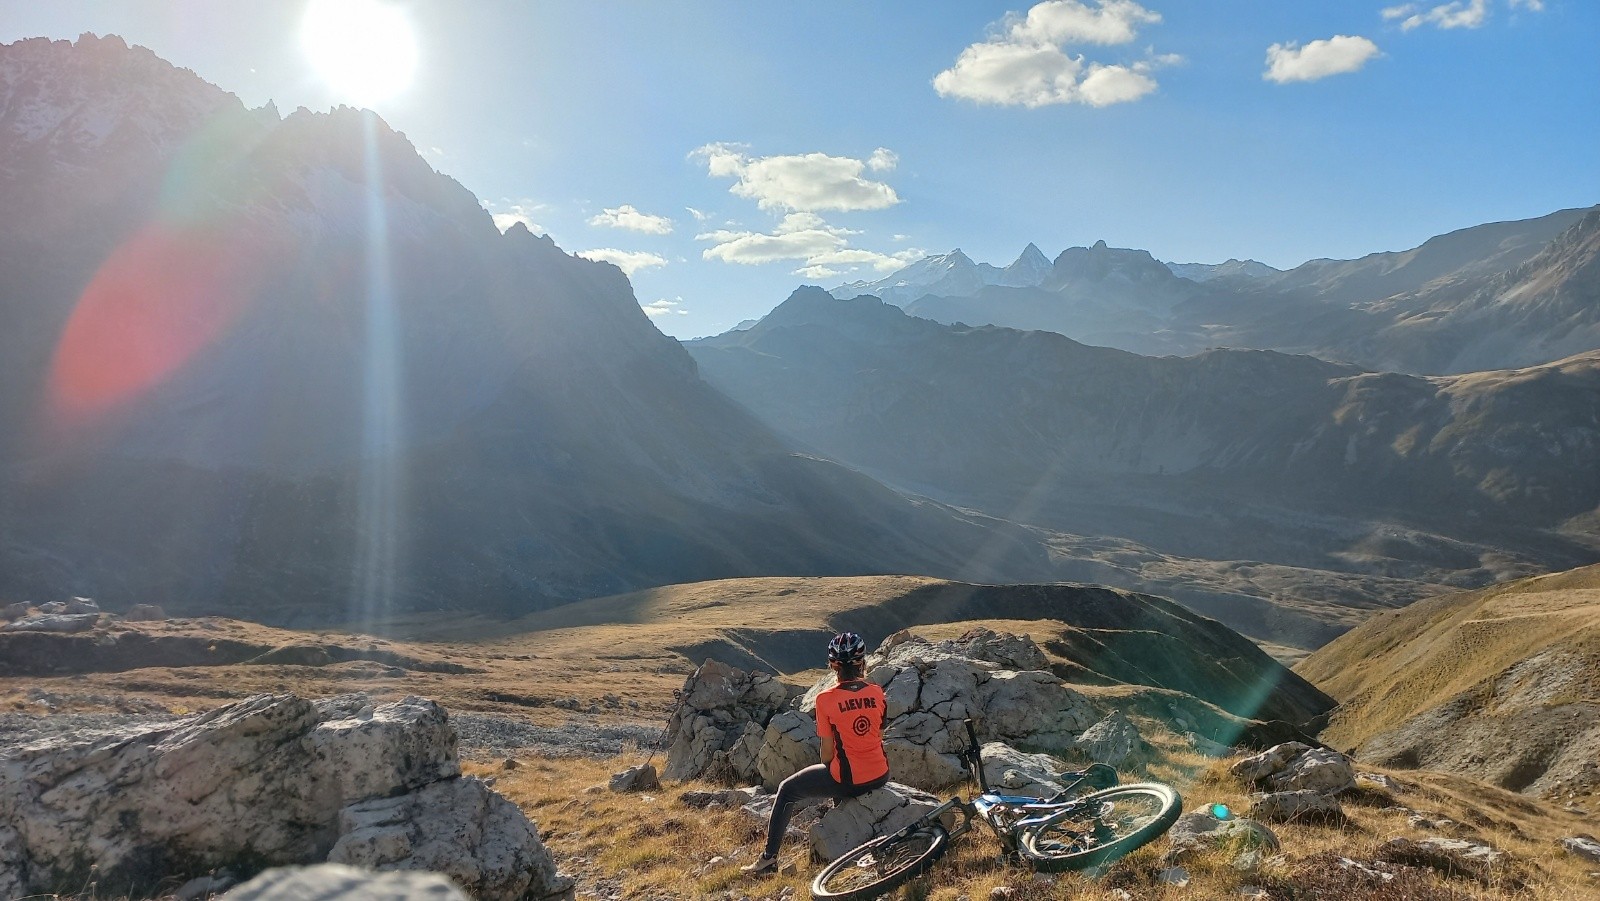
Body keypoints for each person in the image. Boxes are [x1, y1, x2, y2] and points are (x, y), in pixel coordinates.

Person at [742, 630, 890, 875]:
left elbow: (827, 754)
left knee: (787, 790)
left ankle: (768, 860)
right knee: (842, 770)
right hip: (881, 774)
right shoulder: (877, 692)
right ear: (863, 662)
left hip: (850, 779)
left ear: (833, 665)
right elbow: (878, 737)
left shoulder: (825, 699)